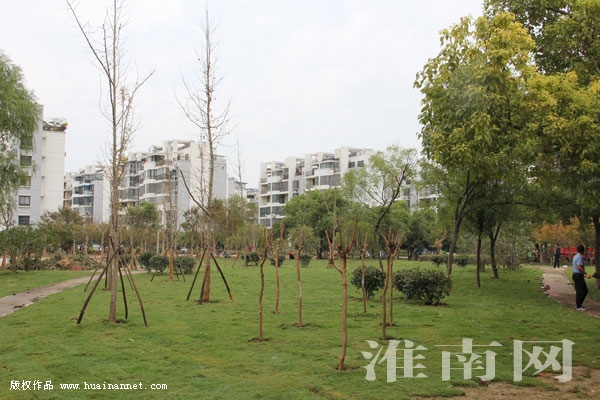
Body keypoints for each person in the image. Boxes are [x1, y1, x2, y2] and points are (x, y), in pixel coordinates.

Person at [572, 244, 589, 311]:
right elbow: (579, 266)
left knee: (582, 290)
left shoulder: (575, 256)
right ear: (583, 251)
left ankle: (579, 304)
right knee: (582, 291)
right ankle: (578, 306)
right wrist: (585, 273)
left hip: (575, 274)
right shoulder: (580, 257)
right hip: (578, 275)